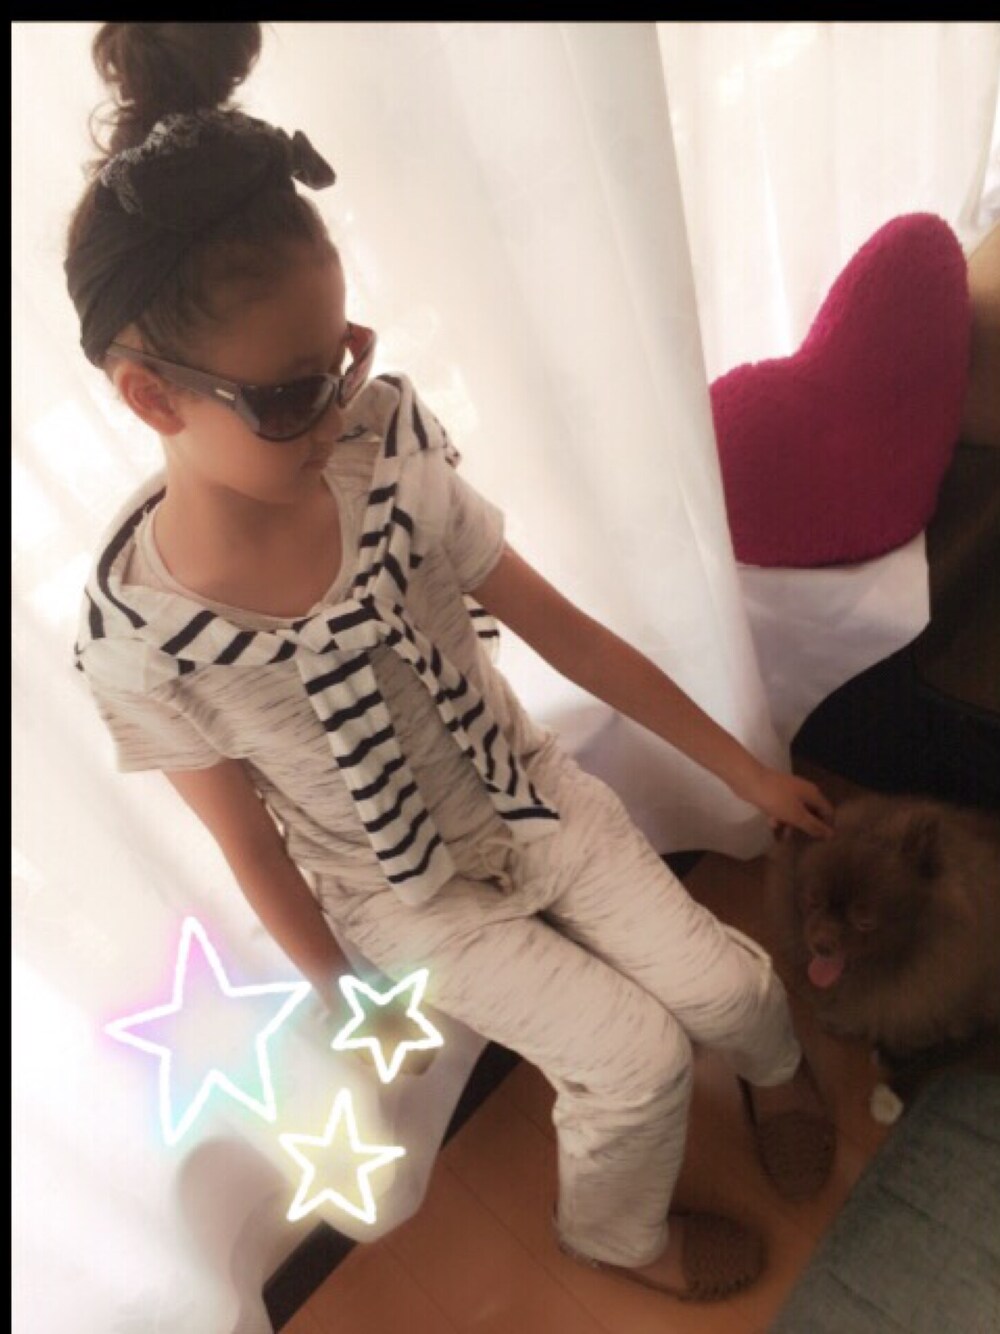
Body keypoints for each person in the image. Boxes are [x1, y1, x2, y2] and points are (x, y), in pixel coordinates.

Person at [68, 23, 837, 1305]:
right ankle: (615, 1231)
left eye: (345, 358)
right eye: (288, 395)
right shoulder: (143, 640)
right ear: (152, 398)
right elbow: (251, 844)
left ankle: (779, 1071)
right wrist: (346, 997)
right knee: (637, 1059)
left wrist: (741, 769)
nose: (335, 407)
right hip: (404, 903)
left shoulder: (386, 452)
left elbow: (562, 629)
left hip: (529, 793)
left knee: (735, 984)